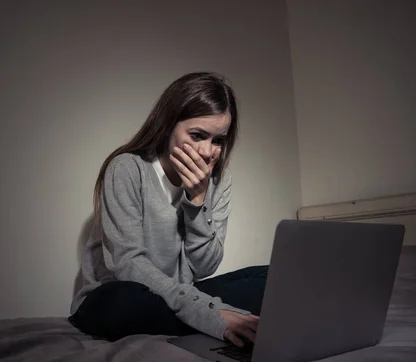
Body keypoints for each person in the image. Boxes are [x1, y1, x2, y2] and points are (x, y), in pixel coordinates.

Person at [69, 72, 268, 347]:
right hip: (121, 294)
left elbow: (204, 267)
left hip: (179, 296)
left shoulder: (219, 180)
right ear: (167, 125)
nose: (207, 151)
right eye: (197, 135)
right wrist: (209, 312)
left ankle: (200, 319)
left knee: (270, 279)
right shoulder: (127, 169)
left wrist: (197, 200)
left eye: (218, 140)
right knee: (126, 304)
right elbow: (127, 265)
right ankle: (208, 320)